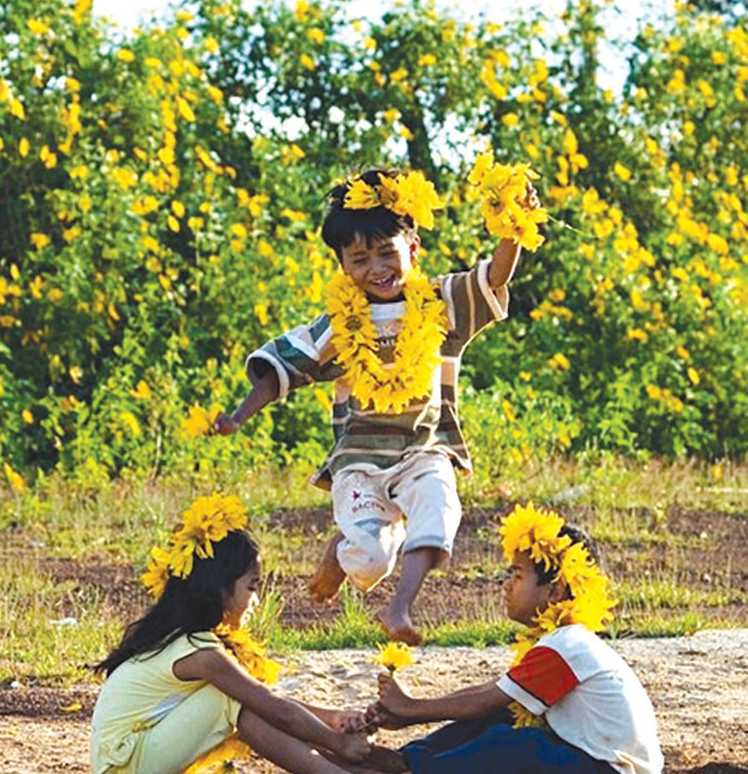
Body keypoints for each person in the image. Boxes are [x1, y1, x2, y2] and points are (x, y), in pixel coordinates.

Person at [215, 168, 538, 644]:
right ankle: (345, 545)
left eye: (387, 252)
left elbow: (494, 276)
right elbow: (283, 367)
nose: (376, 268)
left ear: (413, 247)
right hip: (360, 463)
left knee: (441, 508)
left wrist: (514, 222)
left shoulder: (442, 303)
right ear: (343, 265)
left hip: (426, 448)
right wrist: (239, 416)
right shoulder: (339, 323)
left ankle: (400, 610)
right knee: (371, 560)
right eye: (359, 258)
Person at [90, 493, 402, 774]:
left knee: (244, 701)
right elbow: (273, 707)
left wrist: (332, 718)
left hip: (128, 762)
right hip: (124, 769)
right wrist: (337, 741)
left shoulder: (188, 641)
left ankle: (357, 773)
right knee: (233, 700)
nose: (256, 600)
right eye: (251, 587)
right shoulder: (200, 653)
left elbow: (271, 705)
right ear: (218, 590)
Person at [363, 504, 663, 774]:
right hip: (589, 763)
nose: (506, 586)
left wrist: (412, 708)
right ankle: (406, 760)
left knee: (515, 745)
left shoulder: (566, 646)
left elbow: (484, 698)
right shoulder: (559, 642)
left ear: (555, 592)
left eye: (518, 575)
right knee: (501, 716)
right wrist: (409, 712)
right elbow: (491, 693)